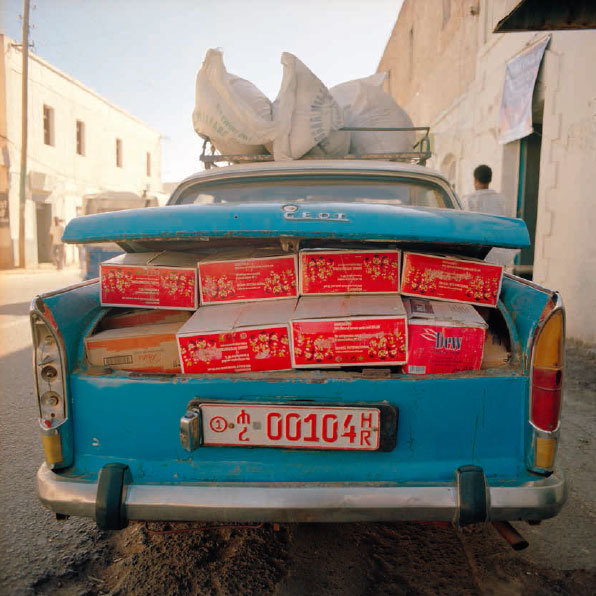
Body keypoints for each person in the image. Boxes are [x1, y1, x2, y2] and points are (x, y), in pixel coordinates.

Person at [462, 165, 518, 267]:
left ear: (475, 180)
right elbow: (509, 227)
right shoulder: (502, 200)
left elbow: (464, 228)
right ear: (490, 180)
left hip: (474, 255)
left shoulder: (468, 201)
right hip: (498, 258)